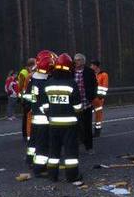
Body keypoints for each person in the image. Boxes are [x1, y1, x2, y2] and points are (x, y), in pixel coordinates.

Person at [38, 53, 82, 182]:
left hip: (53, 124)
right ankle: (72, 176)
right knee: (70, 152)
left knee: (53, 151)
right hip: (70, 125)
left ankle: (53, 175)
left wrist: (49, 115)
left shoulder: (48, 83)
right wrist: (77, 115)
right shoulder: (71, 84)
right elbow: (78, 106)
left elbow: (43, 104)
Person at [28, 51, 55, 174]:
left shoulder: (34, 78)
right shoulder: (45, 82)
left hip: (35, 114)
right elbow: (46, 103)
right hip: (43, 117)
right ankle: (39, 168)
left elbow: (28, 96)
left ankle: (30, 160)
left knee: (33, 141)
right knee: (43, 144)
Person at [73, 53, 98, 154]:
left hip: (86, 103)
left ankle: (89, 147)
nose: (76, 61)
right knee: (75, 127)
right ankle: (75, 146)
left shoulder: (89, 72)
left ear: (83, 61)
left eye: (78, 60)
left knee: (87, 126)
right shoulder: (71, 72)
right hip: (74, 104)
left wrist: (92, 96)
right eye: (75, 60)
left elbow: (94, 84)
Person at [18, 57, 36, 140]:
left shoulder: (29, 73)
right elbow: (20, 86)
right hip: (25, 97)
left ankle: (28, 133)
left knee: (28, 116)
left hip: (28, 96)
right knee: (26, 116)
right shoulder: (24, 73)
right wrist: (21, 96)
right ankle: (25, 134)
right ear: (30, 66)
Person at [89, 60, 109, 137]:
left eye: (92, 65)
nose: (90, 67)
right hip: (91, 98)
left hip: (99, 99)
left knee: (98, 115)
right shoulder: (91, 74)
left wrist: (100, 97)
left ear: (96, 66)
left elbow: (104, 86)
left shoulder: (104, 75)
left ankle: (97, 131)